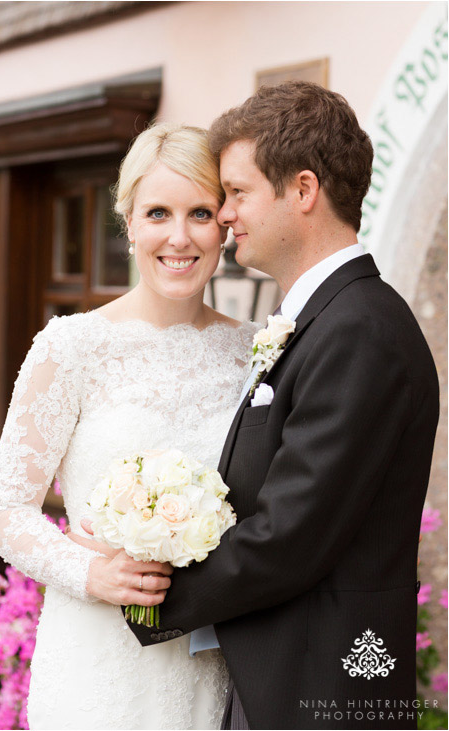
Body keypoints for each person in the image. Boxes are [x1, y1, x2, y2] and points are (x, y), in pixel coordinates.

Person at [75, 82, 440, 730]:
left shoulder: (359, 329)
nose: (225, 216)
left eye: (237, 194)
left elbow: (290, 535)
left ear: (302, 191)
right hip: (272, 675)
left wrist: (148, 594)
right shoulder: (320, 321)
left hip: (319, 688)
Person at [0, 122, 260, 729]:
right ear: (129, 222)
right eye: (158, 212)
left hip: (209, 658)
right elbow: (5, 510)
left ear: (224, 226)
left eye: (201, 213)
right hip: (96, 655)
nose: (179, 237)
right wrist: (92, 572)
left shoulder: (255, 353)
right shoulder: (71, 347)